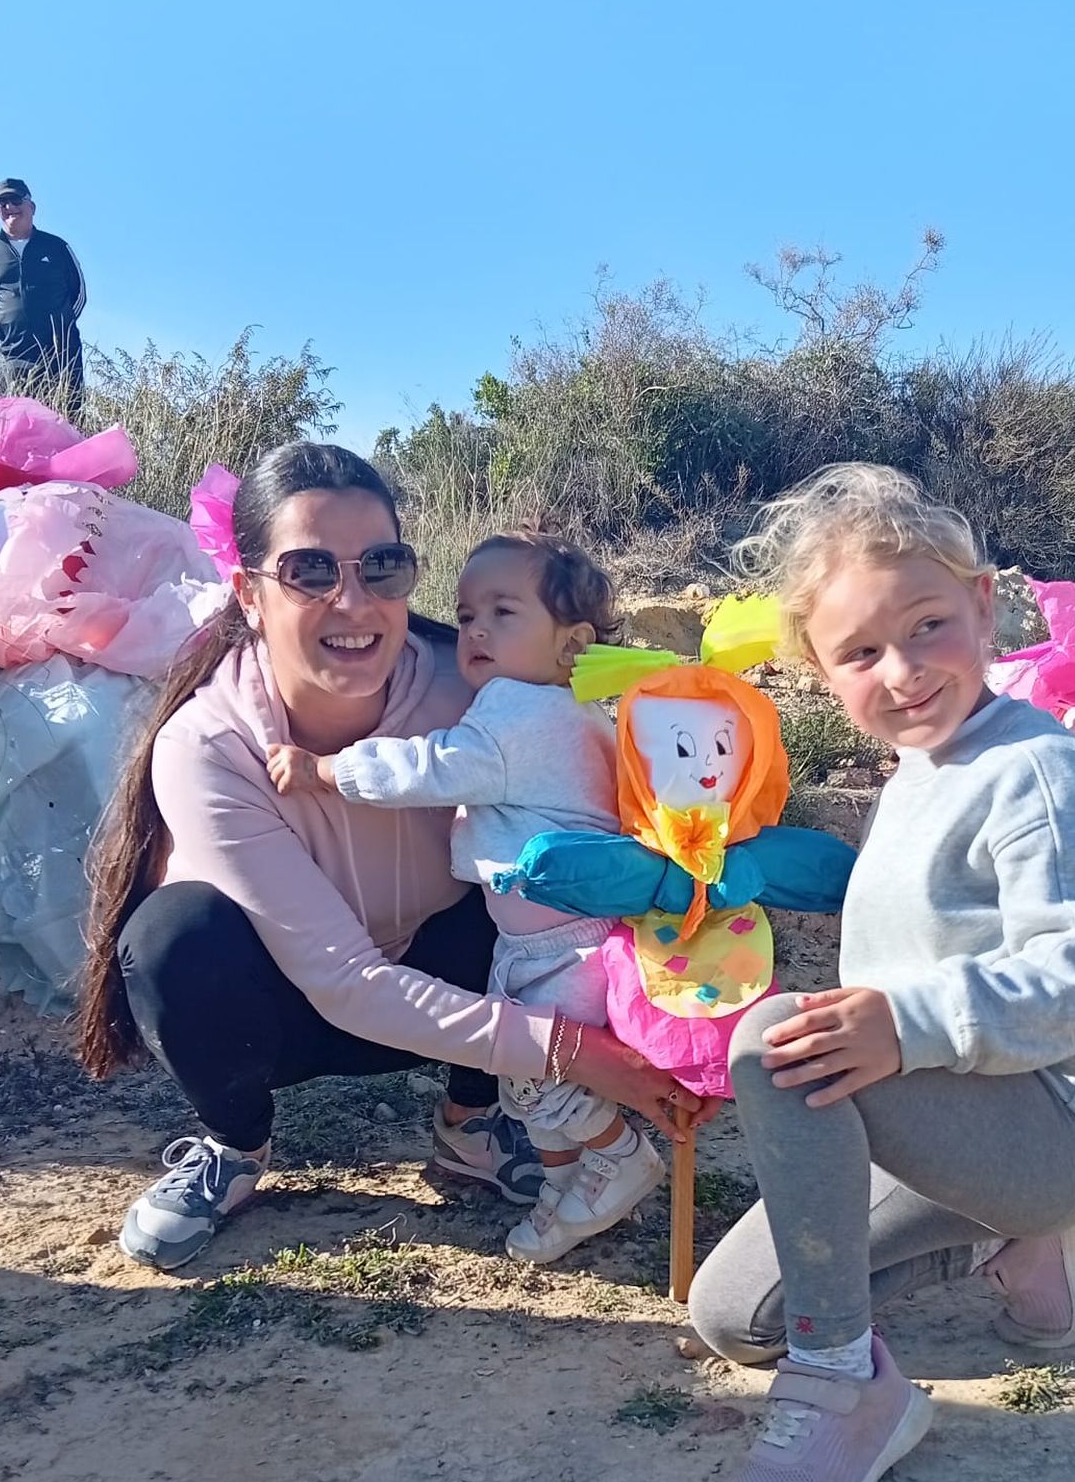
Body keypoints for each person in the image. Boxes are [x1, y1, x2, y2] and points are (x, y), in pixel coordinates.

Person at [76, 442, 704, 1271]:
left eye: (381, 565)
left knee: (526, 872)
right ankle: (235, 1146)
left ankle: (473, 1128)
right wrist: (578, 1053)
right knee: (173, 942)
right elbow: (345, 984)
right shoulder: (208, 744)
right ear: (249, 596)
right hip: (292, 1007)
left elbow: (603, 811)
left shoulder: (481, 690)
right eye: (307, 570)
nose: (352, 599)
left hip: (444, 981)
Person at [688, 464, 1075, 1482]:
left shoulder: (1035, 773)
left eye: (928, 626)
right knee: (731, 1316)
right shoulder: (918, 770)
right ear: (817, 669)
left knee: (781, 1043)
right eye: (858, 652)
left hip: (1049, 1121)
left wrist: (896, 1026)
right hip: (951, 1117)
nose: (901, 671)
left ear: (985, 607)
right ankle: (1015, 1245)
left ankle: (845, 1380)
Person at [266, 531, 664, 1265]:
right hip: (551, 937)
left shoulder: (519, 711)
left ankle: (621, 1154)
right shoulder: (574, 712)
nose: (474, 628)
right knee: (530, 1083)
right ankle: (568, 1193)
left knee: (538, 1080)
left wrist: (325, 771)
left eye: (502, 612)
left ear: (571, 644)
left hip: (562, 945)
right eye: (466, 611)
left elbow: (435, 768)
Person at [0, 179, 87, 405]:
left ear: (31, 207)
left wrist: (59, 325)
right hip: (15, 356)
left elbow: (79, 294)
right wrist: (8, 327)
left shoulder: (56, 246)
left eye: (16, 200)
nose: (9, 207)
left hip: (61, 355)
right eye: (2, 202)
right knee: (22, 430)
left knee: (67, 425)